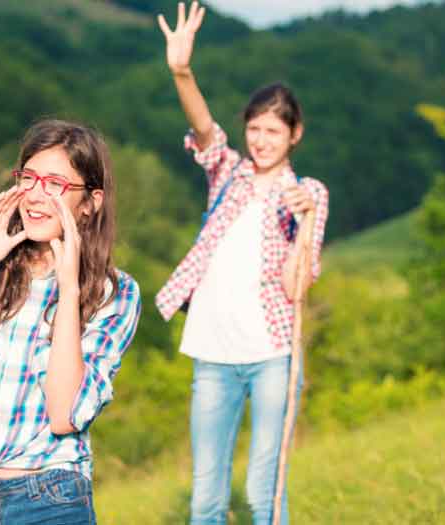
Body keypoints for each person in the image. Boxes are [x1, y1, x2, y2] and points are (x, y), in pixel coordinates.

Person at [155, 3, 329, 524]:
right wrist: (181, 71)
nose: (261, 140)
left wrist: (303, 227)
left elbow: (296, 288)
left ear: (294, 134)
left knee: (263, 492)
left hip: (273, 354)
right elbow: (205, 129)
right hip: (212, 353)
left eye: (273, 132)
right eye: (255, 129)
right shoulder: (227, 173)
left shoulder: (310, 193)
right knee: (206, 498)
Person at [0, 119, 141, 525]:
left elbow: (65, 413)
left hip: (50, 500)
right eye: (29, 178)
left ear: (90, 202)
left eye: (56, 184)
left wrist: (69, 290)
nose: (37, 196)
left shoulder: (114, 293)